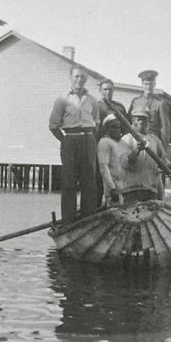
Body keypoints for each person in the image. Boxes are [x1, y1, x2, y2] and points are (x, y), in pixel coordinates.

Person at [49, 64, 99, 224]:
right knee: (69, 181)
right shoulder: (62, 99)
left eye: (83, 77)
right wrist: (65, 140)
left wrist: (88, 138)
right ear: (71, 78)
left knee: (89, 182)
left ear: (86, 79)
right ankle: (68, 221)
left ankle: (88, 220)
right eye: (77, 77)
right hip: (70, 140)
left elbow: (96, 123)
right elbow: (53, 125)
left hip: (88, 139)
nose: (80, 80)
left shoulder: (92, 100)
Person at [120, 108, 167, 204]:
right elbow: (124, 164)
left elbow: (164, 162)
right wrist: (137, 151)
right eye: (138, 119)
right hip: (132, 190)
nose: (142, 122)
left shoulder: (155, 140)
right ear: (132, 121)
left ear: (149, 122)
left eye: (145, 119)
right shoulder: (126, 139)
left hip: (151, 190)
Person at [127, 69, 170, 147]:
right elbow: (129, 121)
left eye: (150, 84)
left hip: (152, 140)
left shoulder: (160, 103)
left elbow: (165, 129)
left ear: (154, 84)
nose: (148, 87)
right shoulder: (135, 101)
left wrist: (163, 148)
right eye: (146, 84)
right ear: (142, 84)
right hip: (135, 138)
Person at [97, 115, 131, 207]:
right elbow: (103, 167)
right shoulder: (105, 142)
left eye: (118, 127)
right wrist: (112, 188)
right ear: (107, 129)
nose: (117, 130)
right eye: (114, 127)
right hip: (114, 189)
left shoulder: (123, 142)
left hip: (126, 188)